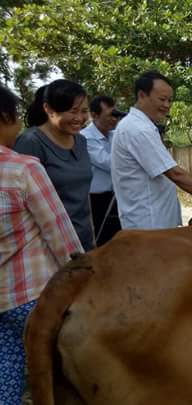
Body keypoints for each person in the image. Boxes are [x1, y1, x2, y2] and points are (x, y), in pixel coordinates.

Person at [0, 85, 83, 404]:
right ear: (4, 118)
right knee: (61, 373)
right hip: (34, 298)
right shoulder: (23, 168)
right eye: (15, 118)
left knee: (6, 373)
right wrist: (85, 277)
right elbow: (60, 234)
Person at [111, 71, 192, 230]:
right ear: (142, 95)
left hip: (159, 221)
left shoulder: (145, 127)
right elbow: (175, 174)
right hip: (149, 224)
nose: (166, 105)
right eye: (161, 99)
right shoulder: (137, 129)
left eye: (169, 100)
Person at [14, 79, 94, 251]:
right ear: (48, 109)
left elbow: (84, 196)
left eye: (84, 111)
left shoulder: (81, 141)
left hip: (83, 240)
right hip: (48, 245)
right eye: (73, 111)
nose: (79, 118)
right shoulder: (31, 142)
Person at [81, 95, 124, 246]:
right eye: (109, 115)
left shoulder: (115, 135)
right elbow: (109, 163)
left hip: (116, 196)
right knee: (101, 241)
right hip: (96, 200)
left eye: (116, 114)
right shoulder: (85, 138)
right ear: (94, 115)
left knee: (118, 241)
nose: (114, 119)